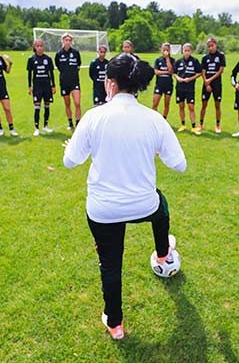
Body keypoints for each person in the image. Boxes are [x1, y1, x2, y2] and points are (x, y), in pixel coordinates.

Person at [63, 53, 187, 341]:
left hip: (103, 209)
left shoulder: (94, 116)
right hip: (143, 203)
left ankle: (115, 324)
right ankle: (163, 252)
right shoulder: (154, 119)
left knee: (110, 262)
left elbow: (71, 161)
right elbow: (180, 165)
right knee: (161, 206)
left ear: (110, 83)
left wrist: (73, 143)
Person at [26, 38, 56, 135]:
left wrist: (53, 86)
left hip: (47, 86)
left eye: (41, 46)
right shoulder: (31, 59)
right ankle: (36, 128)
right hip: (37, 86)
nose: (39, 48)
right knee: (37, 106)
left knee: (47, 106)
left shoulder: (48, 59)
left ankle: (46, 126)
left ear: (43, 47)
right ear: (34, 47)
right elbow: (29, 74)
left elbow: (51, 73)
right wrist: (29, 86)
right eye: (37, 46)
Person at [56, 33, 84, 130]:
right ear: (62, 41)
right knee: (67, 104)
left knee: (77, 103)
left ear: (71, 41)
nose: (68, 42)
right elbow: (59, 67)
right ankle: (70, 123)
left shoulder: (76, 53)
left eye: (69, 40)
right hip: (64, 82)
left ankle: (78, 123)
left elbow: (78, 65)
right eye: (66, 40)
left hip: (74, 82)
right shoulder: (59, 54)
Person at [198, 37, 226, 133]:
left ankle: (218, 125)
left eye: (212, 45)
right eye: (209, 46)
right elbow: (202, 71)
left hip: (217, 84)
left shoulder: (221, 56)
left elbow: (221, 70)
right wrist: (206, 83)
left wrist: (210, 80)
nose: (211, 48)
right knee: (204, 104)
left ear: (216, 45)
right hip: (207, 84)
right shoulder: (205, 57)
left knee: (217, 105)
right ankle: (200, 124)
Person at [173, 43, 202, 134]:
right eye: (185, 50)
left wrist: (190, 79)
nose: (186, 52)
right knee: (181, 106)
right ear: (182, 51)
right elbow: (174, 73)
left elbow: (199, 73)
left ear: (191, 51)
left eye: (188, 51)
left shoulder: (195, 61)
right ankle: (183, 125)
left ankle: (193, 127)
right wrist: (178, 78)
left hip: (190, 88)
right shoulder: (178, 61)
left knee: (191, 107)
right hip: (180, 88)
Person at [151, 42, 175, 118]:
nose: (165, 51)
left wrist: (167, 58)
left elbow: (171, 71)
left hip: (168, 85)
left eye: (167, 50)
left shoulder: (172, 60)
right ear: (161, 50)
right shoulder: (158, 60)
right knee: (155, 103)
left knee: (166, 104)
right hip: (159, 85)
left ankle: (164, 119)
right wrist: (166, 72)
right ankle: (154, 119)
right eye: (164, 49)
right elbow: (156, 72)